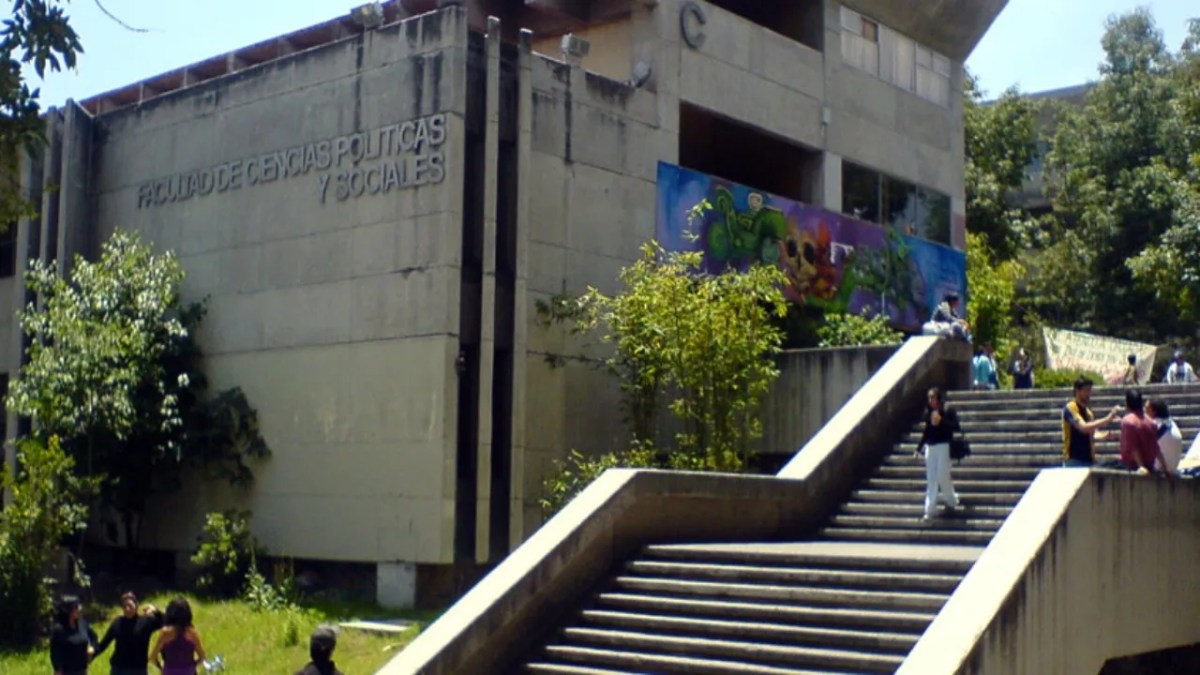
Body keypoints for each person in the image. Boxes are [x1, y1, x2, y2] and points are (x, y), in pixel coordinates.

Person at [915, 387, 961, 522]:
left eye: (933, 397)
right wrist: (918, 448)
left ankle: (951, 499)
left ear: (938, 398)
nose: (931, 401)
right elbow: (926, 432)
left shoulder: (947, 410)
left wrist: (942, 421)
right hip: (931, 447)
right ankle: (930, 509)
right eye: (929, 398)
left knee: (942, 475)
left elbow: (955, 427)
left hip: (943, 446)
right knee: (931, 478)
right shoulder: (928, 412)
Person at [94, 592, 163, 675]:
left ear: (136, 605)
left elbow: (166, 622)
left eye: (130, 605)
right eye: (124, 606)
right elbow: (104, 644)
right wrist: (90, 656)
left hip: (138, 669)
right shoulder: (117, 623)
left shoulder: (146, 622)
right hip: (119, 669)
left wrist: (156, 611)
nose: (127, 609)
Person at [1062, 377, 1121, 468]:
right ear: (1077, 391)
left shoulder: (1088, 413)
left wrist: (1105, 435)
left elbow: (1093, 433)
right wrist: (1107, 419)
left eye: (1090, 390)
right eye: (1086, 391)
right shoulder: (1071, 407)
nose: (1089, 394)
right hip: (1073, 460)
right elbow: (1083, 428)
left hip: (1089, 460)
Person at [1115, 389, 1167, 475]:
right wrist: (1164, 466)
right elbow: (1156, 447)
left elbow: (1134, 448)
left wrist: (1141, 467)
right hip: (1150, 466)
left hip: (1130, 466)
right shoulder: (1152, 423)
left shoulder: (1128, 421)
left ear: (1127, 404)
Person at [149, 598, 205, 675]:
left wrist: (161, 667)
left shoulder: (166, 633)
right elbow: (202, 657)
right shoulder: (192, 633)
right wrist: (192, 666)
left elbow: (152, 657)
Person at [50, 595, 98, 675]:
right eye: (76, 607)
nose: (80, 609)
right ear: (68, 611)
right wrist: (57, 669)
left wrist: (93, 648)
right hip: (67, 672)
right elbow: (55, 652)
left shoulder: (82, 624)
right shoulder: (59, 630)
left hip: (83, 670)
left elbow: (94, 638)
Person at [1145, 398, 1183, 474]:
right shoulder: (1171, 423)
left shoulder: (1154, 425)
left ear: (1153, 411)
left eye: (1146, 408)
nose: (1144, 411)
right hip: (1174, 468)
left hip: (1160, 469)